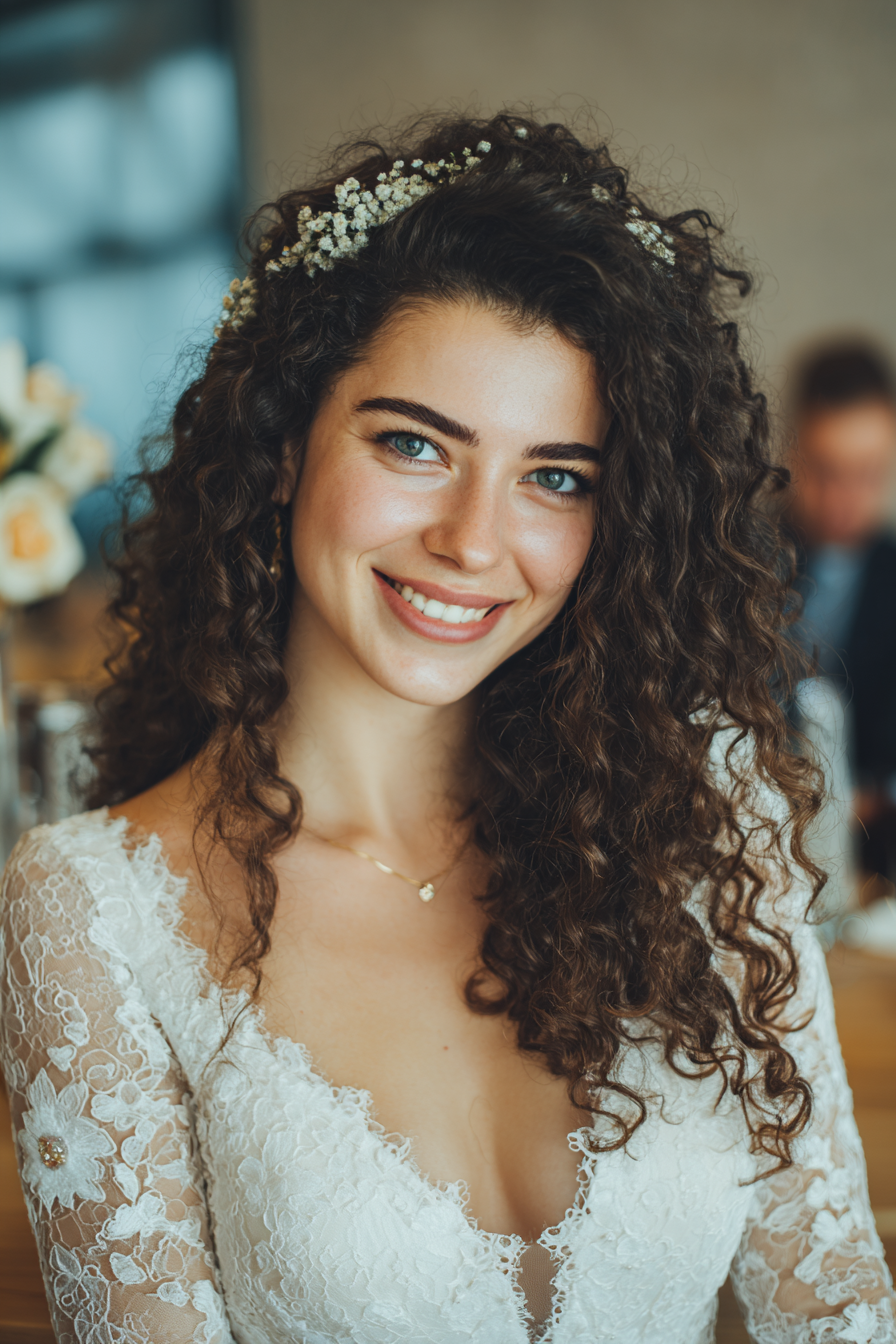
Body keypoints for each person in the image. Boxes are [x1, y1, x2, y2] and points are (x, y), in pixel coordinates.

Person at [1, 113, 893, 1344]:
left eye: (555, 477)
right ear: (282, 445)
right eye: (414, 445)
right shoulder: (91, 911)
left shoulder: (707, 818)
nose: (474, 542)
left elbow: (835, 1309)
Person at [787, 340, 896, 886]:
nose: (845, 497)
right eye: (827, 471)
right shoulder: (740, 563)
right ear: (792, 454)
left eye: (868, 474)